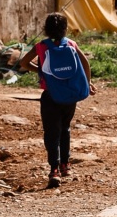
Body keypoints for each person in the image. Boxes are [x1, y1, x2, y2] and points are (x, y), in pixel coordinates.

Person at [20, 11, 92, 189]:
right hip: (70, 96)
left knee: (51, 133)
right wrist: (88, 84)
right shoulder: (72, 44)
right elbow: (85, 64)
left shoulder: (41, 47)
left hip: (51, 96)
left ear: (46, 29)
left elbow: (23, 63)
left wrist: (41, 70)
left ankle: (54, 170)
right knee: (65, 128)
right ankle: (65, 165)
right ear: (65, 29)